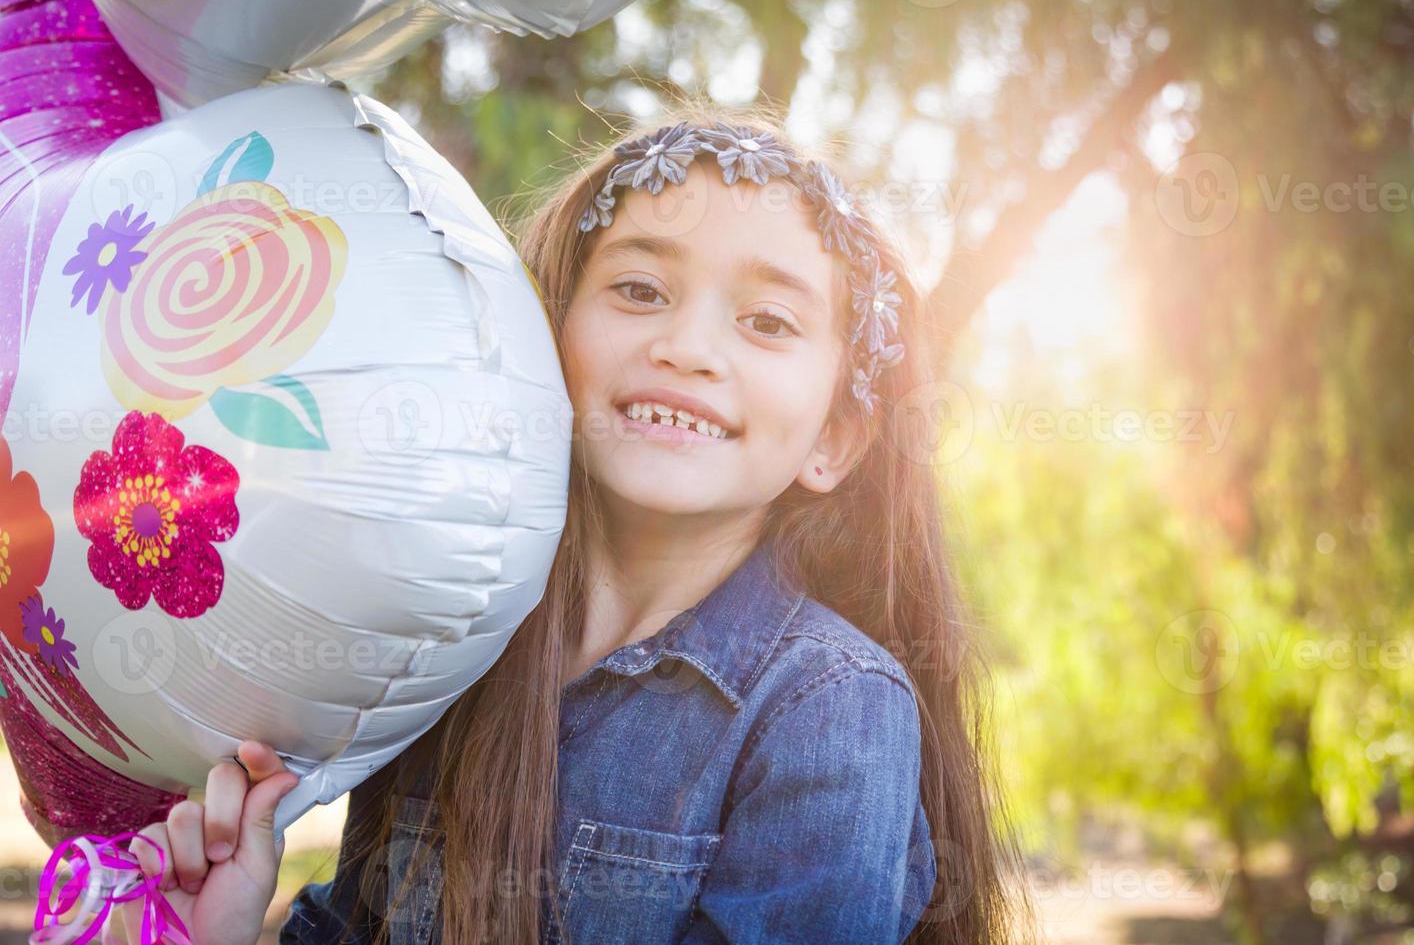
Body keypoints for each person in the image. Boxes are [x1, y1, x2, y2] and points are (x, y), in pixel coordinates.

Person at [126, 102, 1032, 944]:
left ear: (832, 439)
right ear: (542, 337)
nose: (686, 347)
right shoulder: (452, 642)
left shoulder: (828, 707)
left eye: (766, 320)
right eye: (640, 290)